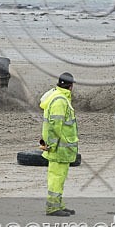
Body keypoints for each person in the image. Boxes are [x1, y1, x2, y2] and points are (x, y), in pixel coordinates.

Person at [39, 72, 79, 217]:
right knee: (56, 179)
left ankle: (58, 205)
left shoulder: (58, 97)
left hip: (60, 148)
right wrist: (52, 146)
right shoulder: (60, 101)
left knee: (59, 178)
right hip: (58, 149)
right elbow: (55, 126)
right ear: (71, 86)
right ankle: (53, 208)